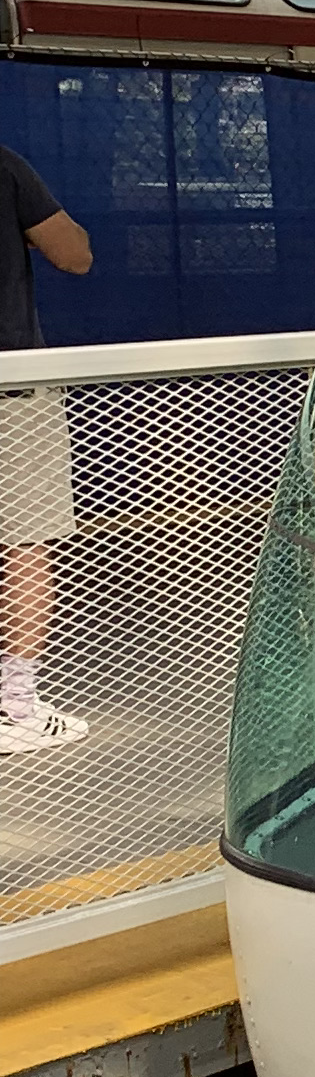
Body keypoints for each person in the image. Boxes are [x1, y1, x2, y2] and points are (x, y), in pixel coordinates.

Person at [0, 144, 93, 752]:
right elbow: (74, 254)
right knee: (25, 538)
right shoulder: (5, 169)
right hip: (11, 383)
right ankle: (14, 707)